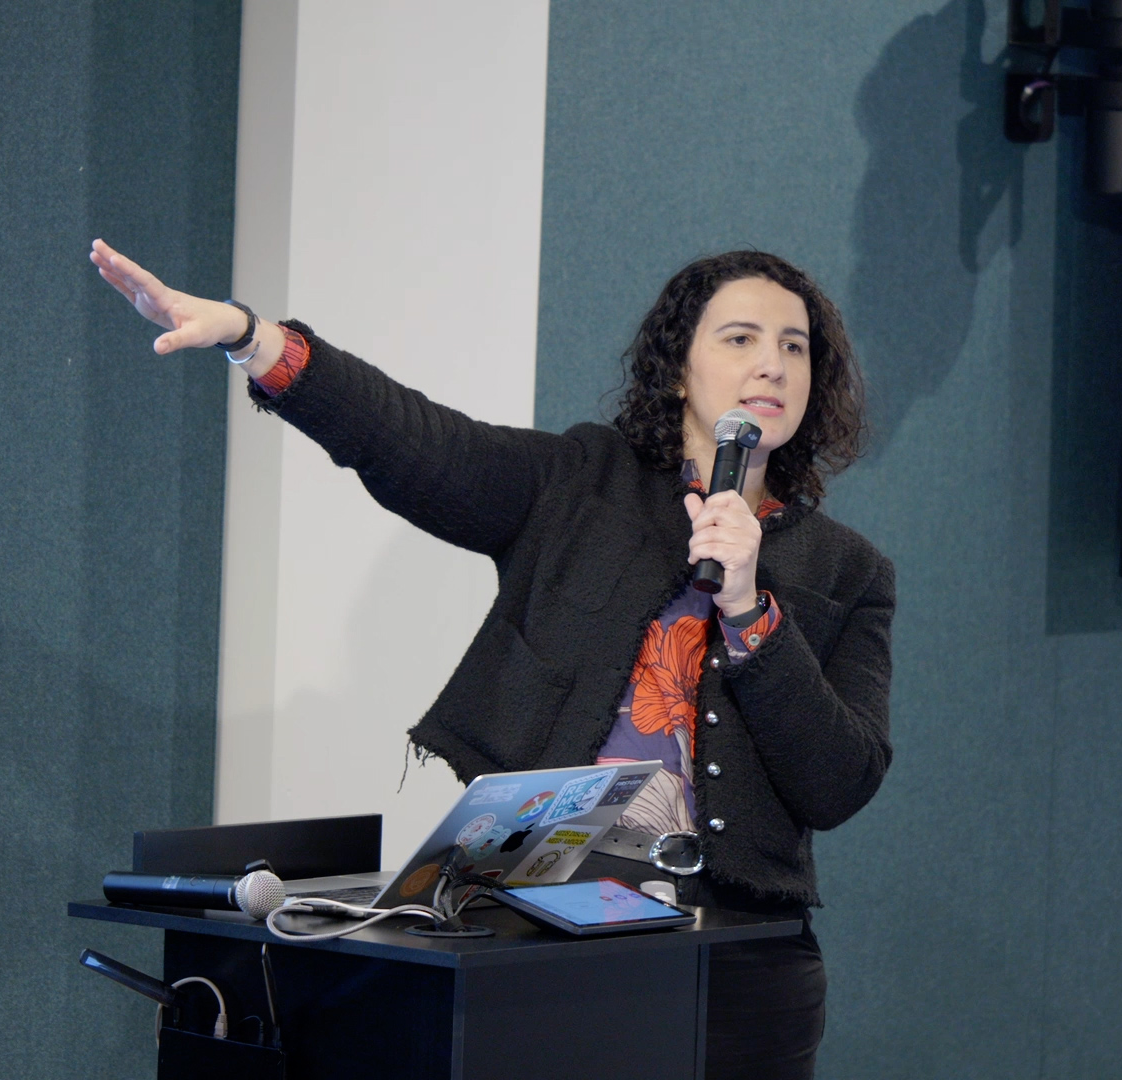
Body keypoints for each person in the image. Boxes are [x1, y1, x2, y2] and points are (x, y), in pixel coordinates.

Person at [89, 238, 894, 1080]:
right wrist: (254, 339)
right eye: (740, 338)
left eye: (793, 346)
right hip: (549, 944)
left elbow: (840, 781)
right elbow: (413, 443)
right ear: (680, 369)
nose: (771, 363)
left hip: (744, 968)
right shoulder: (580, 484)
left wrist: (750, 610)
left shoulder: (849, 572)